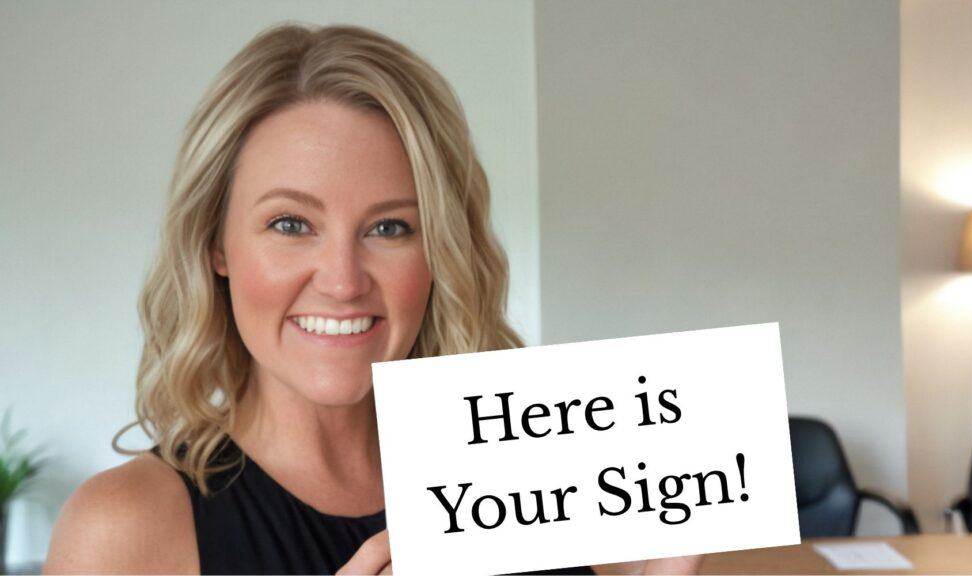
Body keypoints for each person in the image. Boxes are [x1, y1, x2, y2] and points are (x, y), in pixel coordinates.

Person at [43, 23, 702, 575]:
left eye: (390, 228)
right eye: (290, 224)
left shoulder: (537, 460)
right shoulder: (126, 527)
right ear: (216, 246)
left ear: (440, 250)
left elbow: (806, 565)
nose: (342, 279)